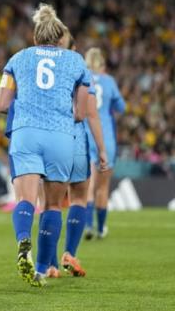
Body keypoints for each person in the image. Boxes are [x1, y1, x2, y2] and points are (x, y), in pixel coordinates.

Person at [0, 3, 90, 287]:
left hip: (26, 133)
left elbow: (1, 104)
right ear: (60, 39)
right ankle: (39, 270)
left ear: (36, 37)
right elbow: (81, 113)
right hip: (60, 136)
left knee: (26, 200)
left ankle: (24, 239)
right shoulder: (76, 62)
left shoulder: (18, 58)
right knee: (52, 205)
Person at [45, 30, 109, 279]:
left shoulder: (36, 62)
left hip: (47, 136)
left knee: (49, 202)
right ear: (73, 46)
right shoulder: (79, 66)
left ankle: (49, 263)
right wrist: (102, 149)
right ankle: (69, 252)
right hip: (74, 137)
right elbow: (90, 113)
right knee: (79, 196)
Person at [83, 48, 126, 240]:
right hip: (105, 137)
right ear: (102, 64)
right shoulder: (108, 81)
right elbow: (121, 107)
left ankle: (88, 226)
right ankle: (100, 228)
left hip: (85, 135)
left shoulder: (82, 78)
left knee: (87, 185)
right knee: (103, 187)